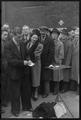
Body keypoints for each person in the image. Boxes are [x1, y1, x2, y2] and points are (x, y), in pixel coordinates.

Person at [4, 30, 32, 116]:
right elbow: (10, 61)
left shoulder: (22, 43)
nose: (21, 38)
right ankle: (15, 110)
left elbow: (27, 54)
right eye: (19, 37)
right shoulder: (8, 45)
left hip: (24, 72)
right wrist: (23, 62)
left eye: (22, 36)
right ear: (14, 35)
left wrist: (29, 59)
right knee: (15, 93)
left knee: (25, 91)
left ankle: (26, 107)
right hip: (14, 73)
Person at [40, 27, 55, 98]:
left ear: (46, 31)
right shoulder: (38, 38)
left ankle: (46, 92)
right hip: (39, 62)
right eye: (41, 31)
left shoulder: (50, 39)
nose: (42, 32)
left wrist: (48, 63)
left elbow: (51, 52)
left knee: (46, 79)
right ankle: (41, 91)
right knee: (41, 78)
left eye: (44, 31)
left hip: (47, 63)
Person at [29, 29, 43, 100]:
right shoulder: (28, 43)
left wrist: (28, 55)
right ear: (31, 37)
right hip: (28, 63)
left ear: (38, 39)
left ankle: (36, 92)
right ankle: (31, 92)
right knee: (30, 78)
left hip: (36, 63)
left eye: (36, 38)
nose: (34, 39)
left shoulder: (40, 45)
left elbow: (37, 54)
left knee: (36, 78)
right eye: (33, 37)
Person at [51, 28, 64, 95]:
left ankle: (56, 90)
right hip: (50, 62)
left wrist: (58, 61)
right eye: (53, 33)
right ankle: (52, 89)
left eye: (55, 34)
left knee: (57, 77)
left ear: (58, 35)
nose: (54, 35)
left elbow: (61, 54)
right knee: (51, 76)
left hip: (57, 62)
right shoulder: (50, 42)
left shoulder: (60, 43)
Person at [60, 29, 72, 93]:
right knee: (62, 76)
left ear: (67, 36)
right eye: (62, 34)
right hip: (61, 61)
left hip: (66, 62)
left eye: (64, 35)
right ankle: (62, 87)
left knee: (66, 76)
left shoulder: (69, 43)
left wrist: (67, 64)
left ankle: (65, 88)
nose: (63, 36)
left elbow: (69, 55)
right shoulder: (61, 41)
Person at [1, 30, 9, 113]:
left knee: (4, 85)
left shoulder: (6, 43)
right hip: (2, 67)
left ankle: (4, 101)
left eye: (7, 35)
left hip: (6, 68)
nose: (6, 36)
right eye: (4, 35)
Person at [70, 28, 79, 93]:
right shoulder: (73, 41)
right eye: (75, 35)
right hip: (74, 60)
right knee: (75, 74)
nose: (76, 37)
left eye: (78, 35)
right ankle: (75, 87)